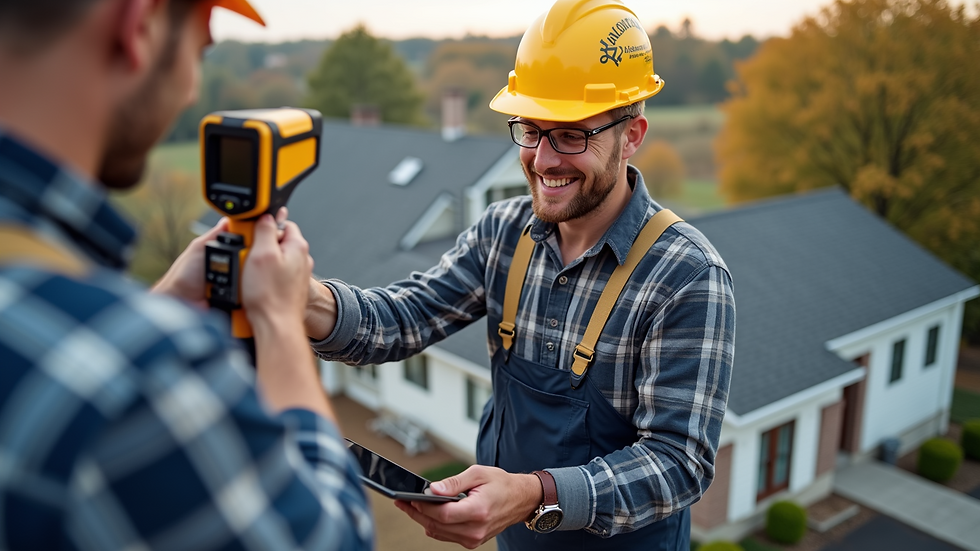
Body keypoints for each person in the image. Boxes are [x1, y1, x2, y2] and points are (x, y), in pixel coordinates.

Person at [303, 0, 735, 549]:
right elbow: (403, 318)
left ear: (631, 136)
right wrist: (304, 299)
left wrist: (534, 494)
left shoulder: (686, 277)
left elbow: (679, 462)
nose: (544, 159)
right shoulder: (502, 232)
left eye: (572, 134)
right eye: (531, 130)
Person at [0, 1, 373, 549]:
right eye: (200, 51)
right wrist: (278, 322)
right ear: (139, 26)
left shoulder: (70, 328)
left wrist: (161, 301)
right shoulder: (144, 373)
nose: (193, 93)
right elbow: (330, 538)